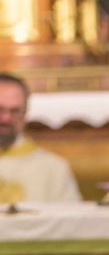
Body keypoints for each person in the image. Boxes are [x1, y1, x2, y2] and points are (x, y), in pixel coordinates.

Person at [0, 73, 81, 202]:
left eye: (15, 111)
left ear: (26, 113)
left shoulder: (54, 168)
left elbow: (69, 214)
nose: (6, 118)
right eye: (0, 109)